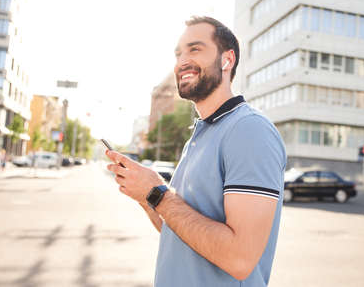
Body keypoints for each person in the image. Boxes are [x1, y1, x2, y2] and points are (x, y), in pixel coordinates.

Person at [106, 16, 286, 286]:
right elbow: (179, 229)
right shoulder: (201, 135)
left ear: (227, 60)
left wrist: (158, 192)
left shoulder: (249, 130)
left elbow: (240, 259)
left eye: (195, 49)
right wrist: (146, 197)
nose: (182, 61)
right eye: (178, 53)